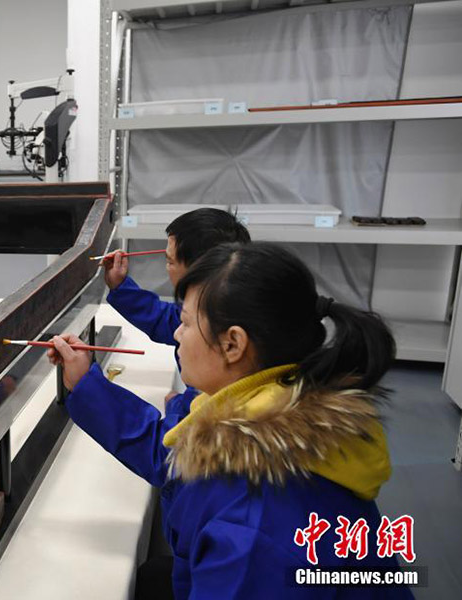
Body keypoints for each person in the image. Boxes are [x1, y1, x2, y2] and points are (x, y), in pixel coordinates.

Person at [49, 242, 412, 599]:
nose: (176, 334)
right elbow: (174, 455)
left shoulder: (250, 531)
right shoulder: (280, 404)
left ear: (233, 344)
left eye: (185, 323)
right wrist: (87, 383)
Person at [101, 208, 250, 415]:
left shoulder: (219, 344)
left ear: (198, 269)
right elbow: (170, 320)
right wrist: (121, 288)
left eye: (170, 261)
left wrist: (177, 406)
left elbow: (185, 426)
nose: (178, 333)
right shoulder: (228, 306)